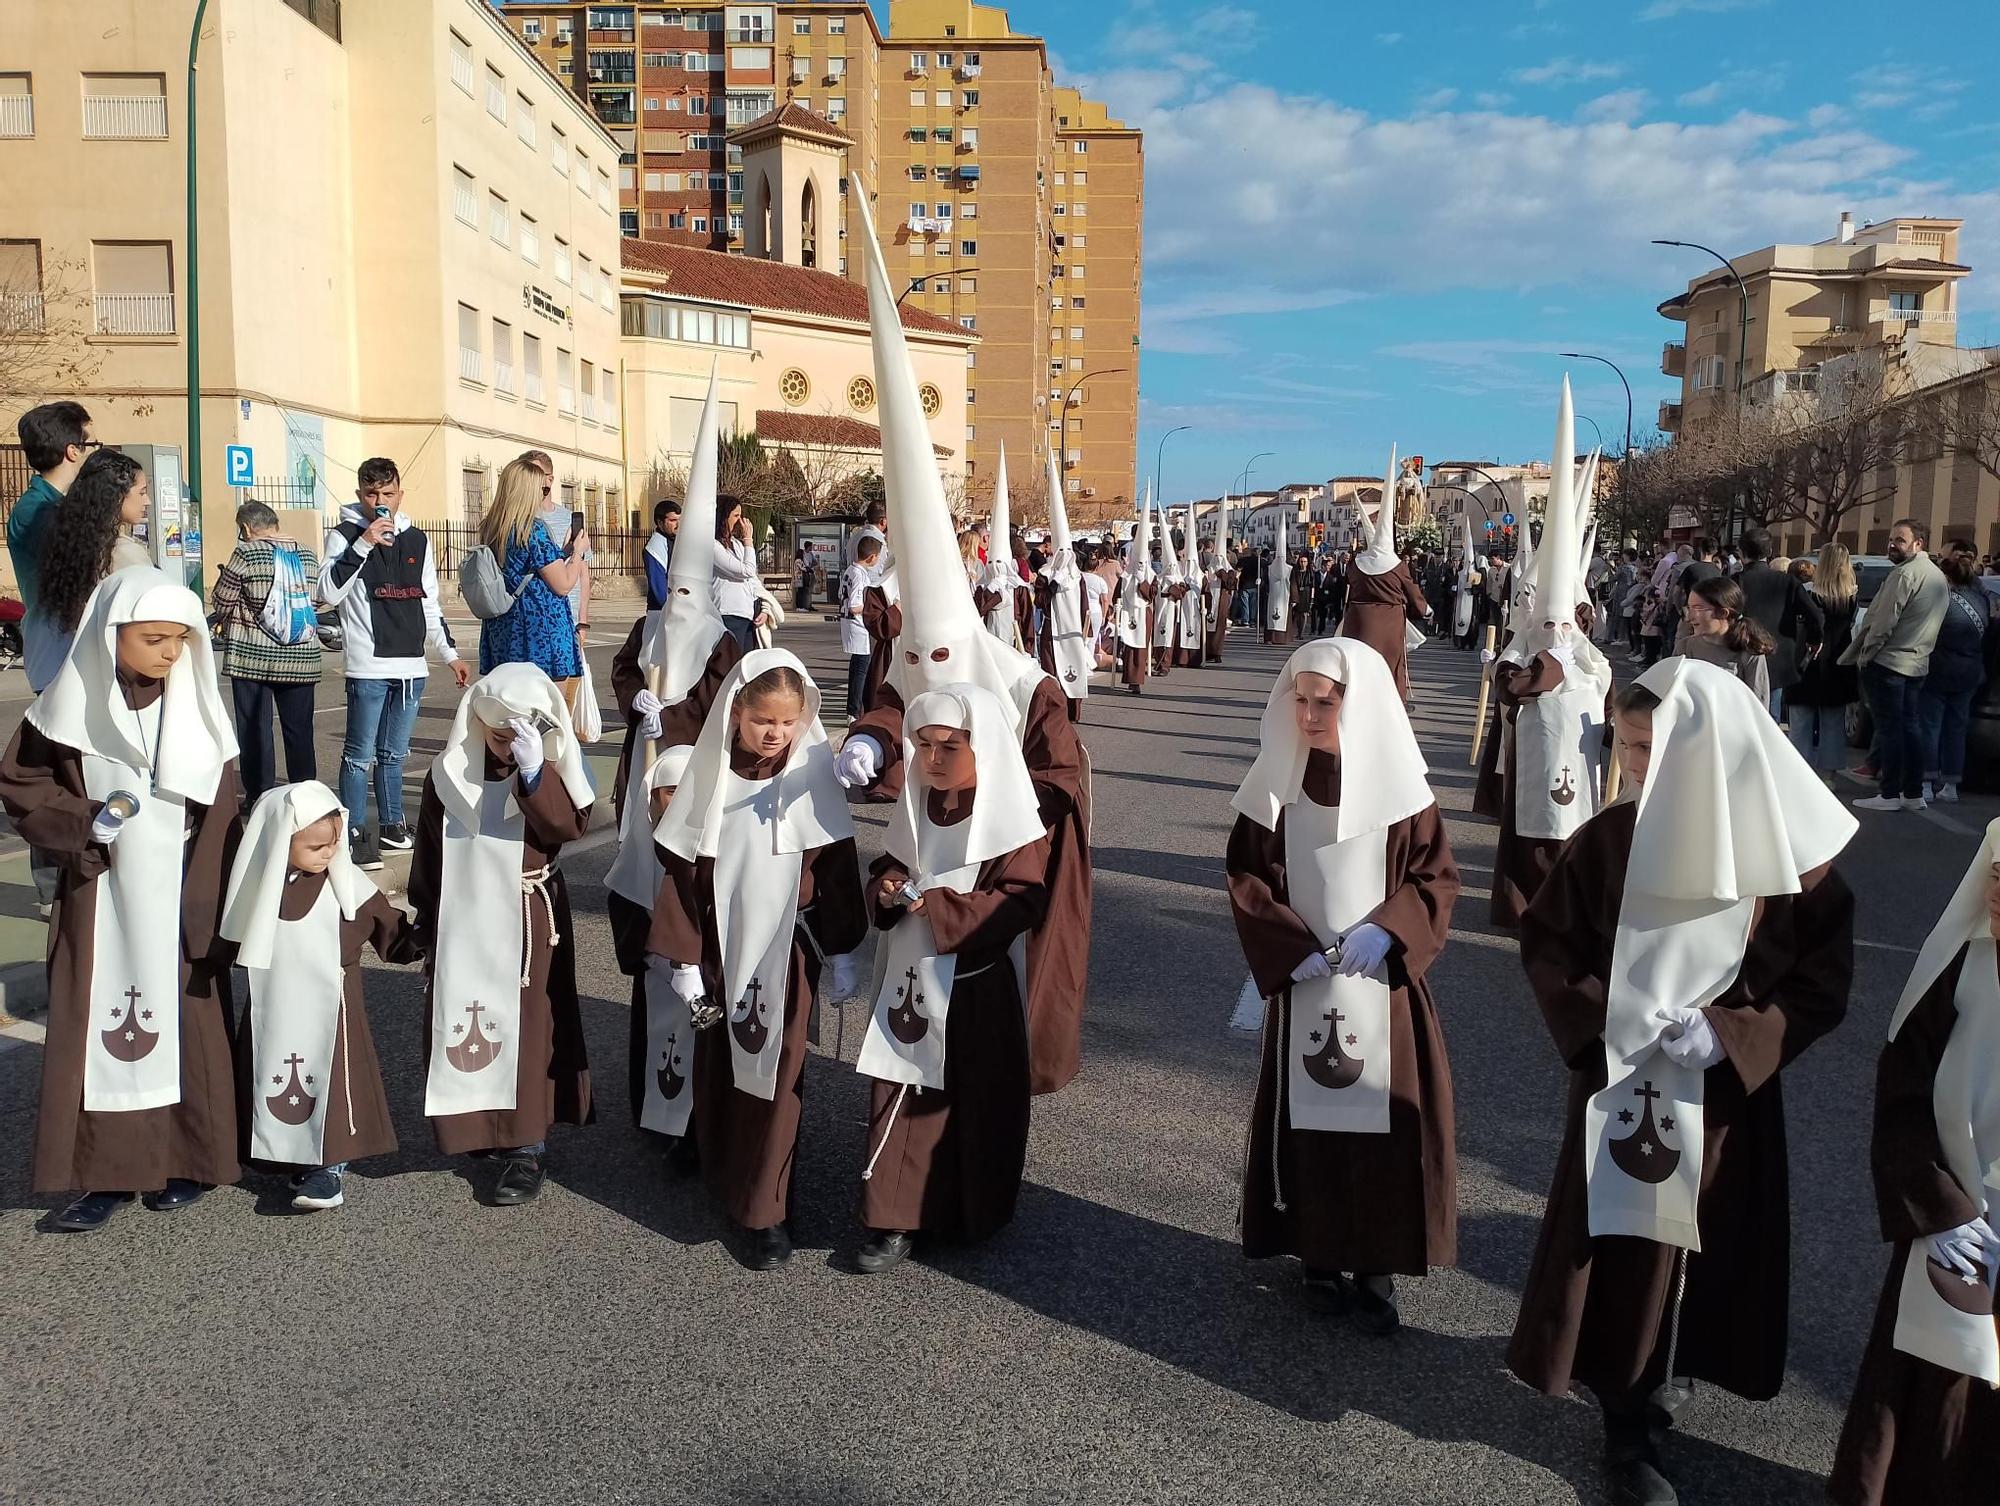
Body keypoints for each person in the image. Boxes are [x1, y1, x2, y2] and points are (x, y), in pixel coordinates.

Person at [1510, 658, 1857, 1506]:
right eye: (1627, 748)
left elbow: (1819, 981)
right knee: (1626, 1250)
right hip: (1621, 1085)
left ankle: (1670, 1376)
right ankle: (1623, 1418)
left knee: (1707, 1246)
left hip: (1728, 1100)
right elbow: (1550, 945)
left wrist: (1733, 1032)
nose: (1633, 769)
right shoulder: (1609, 840)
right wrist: (1601, 1022)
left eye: (1652, 751)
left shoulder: (1789, 862)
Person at [838, 216, 1094, 1102]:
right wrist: (871, 744)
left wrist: (997, 800)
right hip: (922, 840)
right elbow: (891, 707)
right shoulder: (913, 650)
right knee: (911, 975)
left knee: (981, 991)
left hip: (998, 851)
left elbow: (1061, 778)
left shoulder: (1027, 685)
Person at [1228, 638, 1460, 1335]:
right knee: (1314, 1122)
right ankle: (1320, 1255)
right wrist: (1286, 943)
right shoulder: (1278, 778)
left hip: (1382, 989)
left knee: (1383, 1120)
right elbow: (1247, 873)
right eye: (1298, 699)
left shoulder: (1401, 791)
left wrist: (1389, 930)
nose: (1307, 714)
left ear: (1355, 703)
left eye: (1323, 701)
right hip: (1308, 987)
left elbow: (1435, 878)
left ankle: (1378, 1264)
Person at [0, 568, 243, 1231]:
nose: (170, 653)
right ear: (112, 635)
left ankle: (184, 1161)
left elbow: (225, 806)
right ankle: (105, 1176)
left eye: (180, 641)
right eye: (154, 639)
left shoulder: (193, 704)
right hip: (101, 892)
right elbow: (21, 780)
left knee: (182, 1025)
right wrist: (80, 824)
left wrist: (213, 894)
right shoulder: (67, 706)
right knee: (101, 1029)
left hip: (179, 891)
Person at [648, 652, 865, 1269]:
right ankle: (717, 1157)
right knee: (721, 1061)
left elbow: (837, 870)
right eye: (762, 720)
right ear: (736, 714)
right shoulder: (711, 779)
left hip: (788, 958)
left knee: (777, 1076)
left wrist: (845, 947)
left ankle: (766, 1209)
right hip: (720, 953)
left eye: (787, 722)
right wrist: (684, 957)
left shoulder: (811, 777)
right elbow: (684, 874)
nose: (774, 734)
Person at [1828, 819, 2000, 1505]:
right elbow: (1902, 1088)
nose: (1999, 897)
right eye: (1996, 875)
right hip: (1954, 1225)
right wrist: (1936, 1205)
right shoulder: (1960, 965)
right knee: (1928, 1398)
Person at [856, 683, 1053, 1272]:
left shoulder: (1012, 818)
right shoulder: (918, 797)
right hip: (913, 978)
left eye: (949, 746)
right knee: (903, 1092)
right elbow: (891, 861)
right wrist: (887, 890)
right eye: (923, 745)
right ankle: (893, 1216)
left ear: (983, 747)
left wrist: (938, 908)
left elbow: (1021, 901)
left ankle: (971, 1209)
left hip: (976, 985)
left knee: (973, 1103)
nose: (932, 759)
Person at [407, 662, 596, 1206]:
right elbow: (429, 854)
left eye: (520, 737)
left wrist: (535, 777)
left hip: (526, 914)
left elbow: (563, 827)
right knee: (465, 1016)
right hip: (464, 914)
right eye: (498, 736)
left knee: (527, 1025)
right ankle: (477, 1128)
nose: (509, 746)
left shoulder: (547, 768)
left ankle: (525, 1146)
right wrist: (426, 922)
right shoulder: (448, 775)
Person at [219, 782, 416, 1212]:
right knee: (269, 1072)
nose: (328, 854)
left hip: (333, 1012)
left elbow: (389, 927)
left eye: (332, 844)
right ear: (279, 841)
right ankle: (280, 1156)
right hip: (274, 1008)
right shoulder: (260, 888)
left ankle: (329, 1168)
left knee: (330, 1083)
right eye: (315, 847)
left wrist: (424, 942)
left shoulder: (345, 883)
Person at [1474, 383, 1612, 930]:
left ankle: (1573, 904)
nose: (1555, 629)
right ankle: (1522, 904)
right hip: (1531, 755)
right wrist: (1537, 668)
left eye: (1564, 621)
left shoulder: (1590, 655)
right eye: (1546, 621)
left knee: (1576, 830)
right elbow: (1510, 679)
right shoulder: (1526, 644)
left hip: (1577, 760)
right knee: (1528, 835)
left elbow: (1606, 686)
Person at [318, 457, 470, 870]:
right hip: (368, 666)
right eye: (371, 494)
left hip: (410, 667)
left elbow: (431, 601)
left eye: (388, 494)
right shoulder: (345, 535)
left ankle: (392, 823)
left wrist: (450, 654)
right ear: (360, 495)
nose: (380, 502)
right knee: (358, 755)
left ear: (400, 494)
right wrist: (364, 543)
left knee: (394, 754)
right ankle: (353, 830)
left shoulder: (418, 539)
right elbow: (328, 592)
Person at [207, 503, 322, 802]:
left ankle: (259, 795)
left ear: (245, 528)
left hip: (252, 658)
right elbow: (315, 600)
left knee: (255, 730)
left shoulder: (246, 553)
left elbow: (222, 600)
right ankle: (305, 795)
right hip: (301, 659)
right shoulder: (307, 554)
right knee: (299, 732)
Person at [26, 449, 154, 692]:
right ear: (116, 497)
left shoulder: (62, 541)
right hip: (97, 679)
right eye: (142, 492)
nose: (147, 501)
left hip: (48, 668)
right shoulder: (123, 553)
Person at [1846, 518, 1949, 813]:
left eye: (1900, 540)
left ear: (1918, 543)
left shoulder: (1906, 575)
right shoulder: (1936, 575)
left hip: (1890, 662)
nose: (1892, 544)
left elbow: (1882, 623)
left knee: (1891, 730)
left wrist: (1866, 654)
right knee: (1910, 729)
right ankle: (1913, 792)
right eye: (1891, 539)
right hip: (1916, 663)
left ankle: (1890, 793)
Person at [475, 458, 589, 702]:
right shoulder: (532, 529)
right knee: (546, 716)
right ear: (527, 490)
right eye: (542, 488)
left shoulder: (493, 527)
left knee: (510, 713)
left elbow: (526, 567)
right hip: (541, 632)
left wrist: (564, 552)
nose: (544, 494)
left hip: (505, 629)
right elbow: (563, 584)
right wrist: (578, 552)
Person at [8, 401, 97, 678]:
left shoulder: (57, 504)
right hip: (57, 651)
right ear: (73, 451)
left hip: (68, 648)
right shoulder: (36, 511)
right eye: (93, 445)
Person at [1341, 462, 1431, 699]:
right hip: (1389, 621)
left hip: (1358, 619)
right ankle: (1392, 702)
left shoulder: (1357, 564)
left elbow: (1348, 581)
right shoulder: (1396, 565)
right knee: (1390, 664)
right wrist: (1425, 610)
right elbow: (1412, 592)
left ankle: (1355, 698)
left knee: (1358, 662)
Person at [1915, 553, 1989, 805]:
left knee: (1930, 726)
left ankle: (1925, 782)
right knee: (1956, 728)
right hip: (1970, 671)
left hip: (1938, 670)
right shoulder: (1981, 599)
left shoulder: (1942, 600)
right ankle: (1951, 784)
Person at [1787, 543, 1860, 784]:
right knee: (1833, 722)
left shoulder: (1808, 592)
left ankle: (1800, 775)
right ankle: (1829, 775)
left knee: (1800, 721)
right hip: (1839, 661)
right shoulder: (1850, 596)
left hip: (1808, 660)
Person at [525, 449, 592, 691]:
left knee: (566, 702)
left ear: (549, 479)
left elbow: (583, 573)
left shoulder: (566, 518)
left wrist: (582, 621)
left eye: (536, 473)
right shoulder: (525, 520)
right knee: (549, 701)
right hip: (541, 619)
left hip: (569, 619)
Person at [1734, 526, 1817, 720]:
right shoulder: (1787, 582)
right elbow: (1815, 614)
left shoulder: (1736, 581)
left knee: (1741, 712)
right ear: (1770, 552)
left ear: (1741, 553)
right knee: (1771, 713)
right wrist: (1814, 639)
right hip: (1778, 655)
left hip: (1741, 652)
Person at [1680, 575, 1775, 709]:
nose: (1690, 616)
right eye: (1689, 608)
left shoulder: (1750, 651)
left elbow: (1758, 705)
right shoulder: (1685, 646)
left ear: (1723, 613)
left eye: (1698, 608)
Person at [712, 497, 765, 650]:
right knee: (730, 663)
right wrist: (749, 540)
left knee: (746, 663)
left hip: (747, 614)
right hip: (728, 613)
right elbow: (745, 571)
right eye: (736, 516)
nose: (740, 521)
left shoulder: (736, 544)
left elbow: (753, 578)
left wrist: (764, 608)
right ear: (723, 517)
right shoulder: (713, 546)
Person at [840, 535, 883, 720]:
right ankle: (854, 710)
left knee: (856, 667)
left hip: (850, 624)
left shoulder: (850, 570)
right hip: (859, 627)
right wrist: (872, 608)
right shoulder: (859, 574)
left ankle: (854, 708)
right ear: (872, 557)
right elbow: (855, 605)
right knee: (860, 671)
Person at [644, 499, 680, 611]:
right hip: (662, 613)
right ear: (660, 522)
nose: (678, 524)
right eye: (673, 520)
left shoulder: (675, 540)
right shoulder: (656, 546)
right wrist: (672, 611)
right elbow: (659, 588)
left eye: (680, 519)